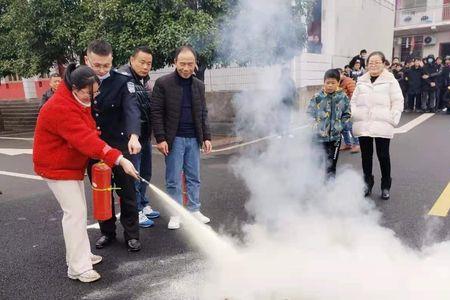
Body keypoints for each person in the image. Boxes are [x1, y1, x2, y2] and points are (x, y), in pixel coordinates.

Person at [33, 64, 138, 283]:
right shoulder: (60, 107)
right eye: (91, 93)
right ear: (75, 88)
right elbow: (85, 139)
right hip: (56, 166)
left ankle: (80, 256)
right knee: (75, 214)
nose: (95, 96)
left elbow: (89, 132)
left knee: (78, 212)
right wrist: (119, 159)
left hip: (68, 165)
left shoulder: (74, 99)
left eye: (97, 92)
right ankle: (77, 268)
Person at [84, 40, 142, 252]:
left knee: (127, 193)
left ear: (112, 61)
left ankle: (132, 235)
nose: (101, 70)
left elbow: (132, 110)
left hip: (120, 147)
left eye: (106, 65)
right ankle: (107, 232)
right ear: (86, 60)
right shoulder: (81, 81)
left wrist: (134, 135)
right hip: (94, 147)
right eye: (96, 65)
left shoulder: (122, 81)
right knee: (102, 193)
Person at [151, 45, 212, 230]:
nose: (186, 68)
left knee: (194, 177)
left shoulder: (199, 85)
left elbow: (203, 112)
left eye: (190, 64)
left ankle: (194, 209)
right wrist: (160, 138)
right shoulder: (163, 83)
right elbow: (156, 112)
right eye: (182, 63)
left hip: (193, 138)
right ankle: (176, 213)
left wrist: (207, 136)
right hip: (173, 138)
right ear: (174, 62)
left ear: (195, 65)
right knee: (173, 179)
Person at [351, 51, 404, 200]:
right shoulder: (361, 81)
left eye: (377, 62)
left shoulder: (390, 80)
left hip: (382, 123)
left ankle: (385, 185)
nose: (373, 65)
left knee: (383, 156)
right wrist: (354, 114)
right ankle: (367, 183)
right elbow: (353, 101)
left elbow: (398, 101)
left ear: (384, 63)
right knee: (366, 157)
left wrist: (392, 118)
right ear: (367, 65)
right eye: (370, 62)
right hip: (363, 123)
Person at [119, 46, 160, 228]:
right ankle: (135, 210)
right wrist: (132, 135)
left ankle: (143, 204)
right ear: (131, 60)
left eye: (149, 63)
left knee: (145, 173)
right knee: (134, 175)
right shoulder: (124, 80)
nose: (145, 66)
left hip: (144, 136)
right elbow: (130, 110)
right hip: (131, 139)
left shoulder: (145, 81)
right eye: (142, 62)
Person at [307, 69, 351, 177]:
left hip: (335, 139)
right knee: (318, 163)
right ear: (324, 82)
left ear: (338, 83)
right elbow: (309, 113)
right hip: (318, 138)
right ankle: (318, 186)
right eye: (328, 83)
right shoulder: (317, 97)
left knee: (331, 165)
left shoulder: (343, 97)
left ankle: (330, 188)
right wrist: (314, 126)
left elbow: (347, 114)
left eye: (333, 83)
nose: (330, 85)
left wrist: (340, 126)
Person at [336, 68, 359, 153]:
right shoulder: (337, 82)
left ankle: (357, 144)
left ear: (342, 74)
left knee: (350, 126)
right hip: (339, 108)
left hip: (348, 107)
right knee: (343, 128)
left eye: (338, 75)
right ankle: (348, 144)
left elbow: (354, 94)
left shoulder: (349, 81)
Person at [277, 66, 297, 137]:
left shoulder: (291, 81)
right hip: (282, 102)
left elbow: (294, 91)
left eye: (288, 72)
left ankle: (288, 132)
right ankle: (280, 133)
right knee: (281, 118)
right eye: (285, 72)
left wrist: (294, 100)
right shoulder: (280, 81)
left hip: (289, 102)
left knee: (288, 118)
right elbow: (277, 92)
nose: (287, 74)